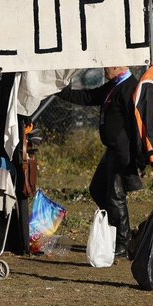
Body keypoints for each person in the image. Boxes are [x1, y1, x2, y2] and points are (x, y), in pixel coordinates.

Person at [56, 65, 142, 258]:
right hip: (111, 150)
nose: (104, 70)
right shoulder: (113, 85)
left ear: (120, 66)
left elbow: (138, 124)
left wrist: (136, 156)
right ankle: (117, 229)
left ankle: (123, 241)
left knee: (115, 196)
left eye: (108, 66)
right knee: (97, 189)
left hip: (122, 152)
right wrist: (59, 91)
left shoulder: (130, 88)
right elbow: (88, 97)